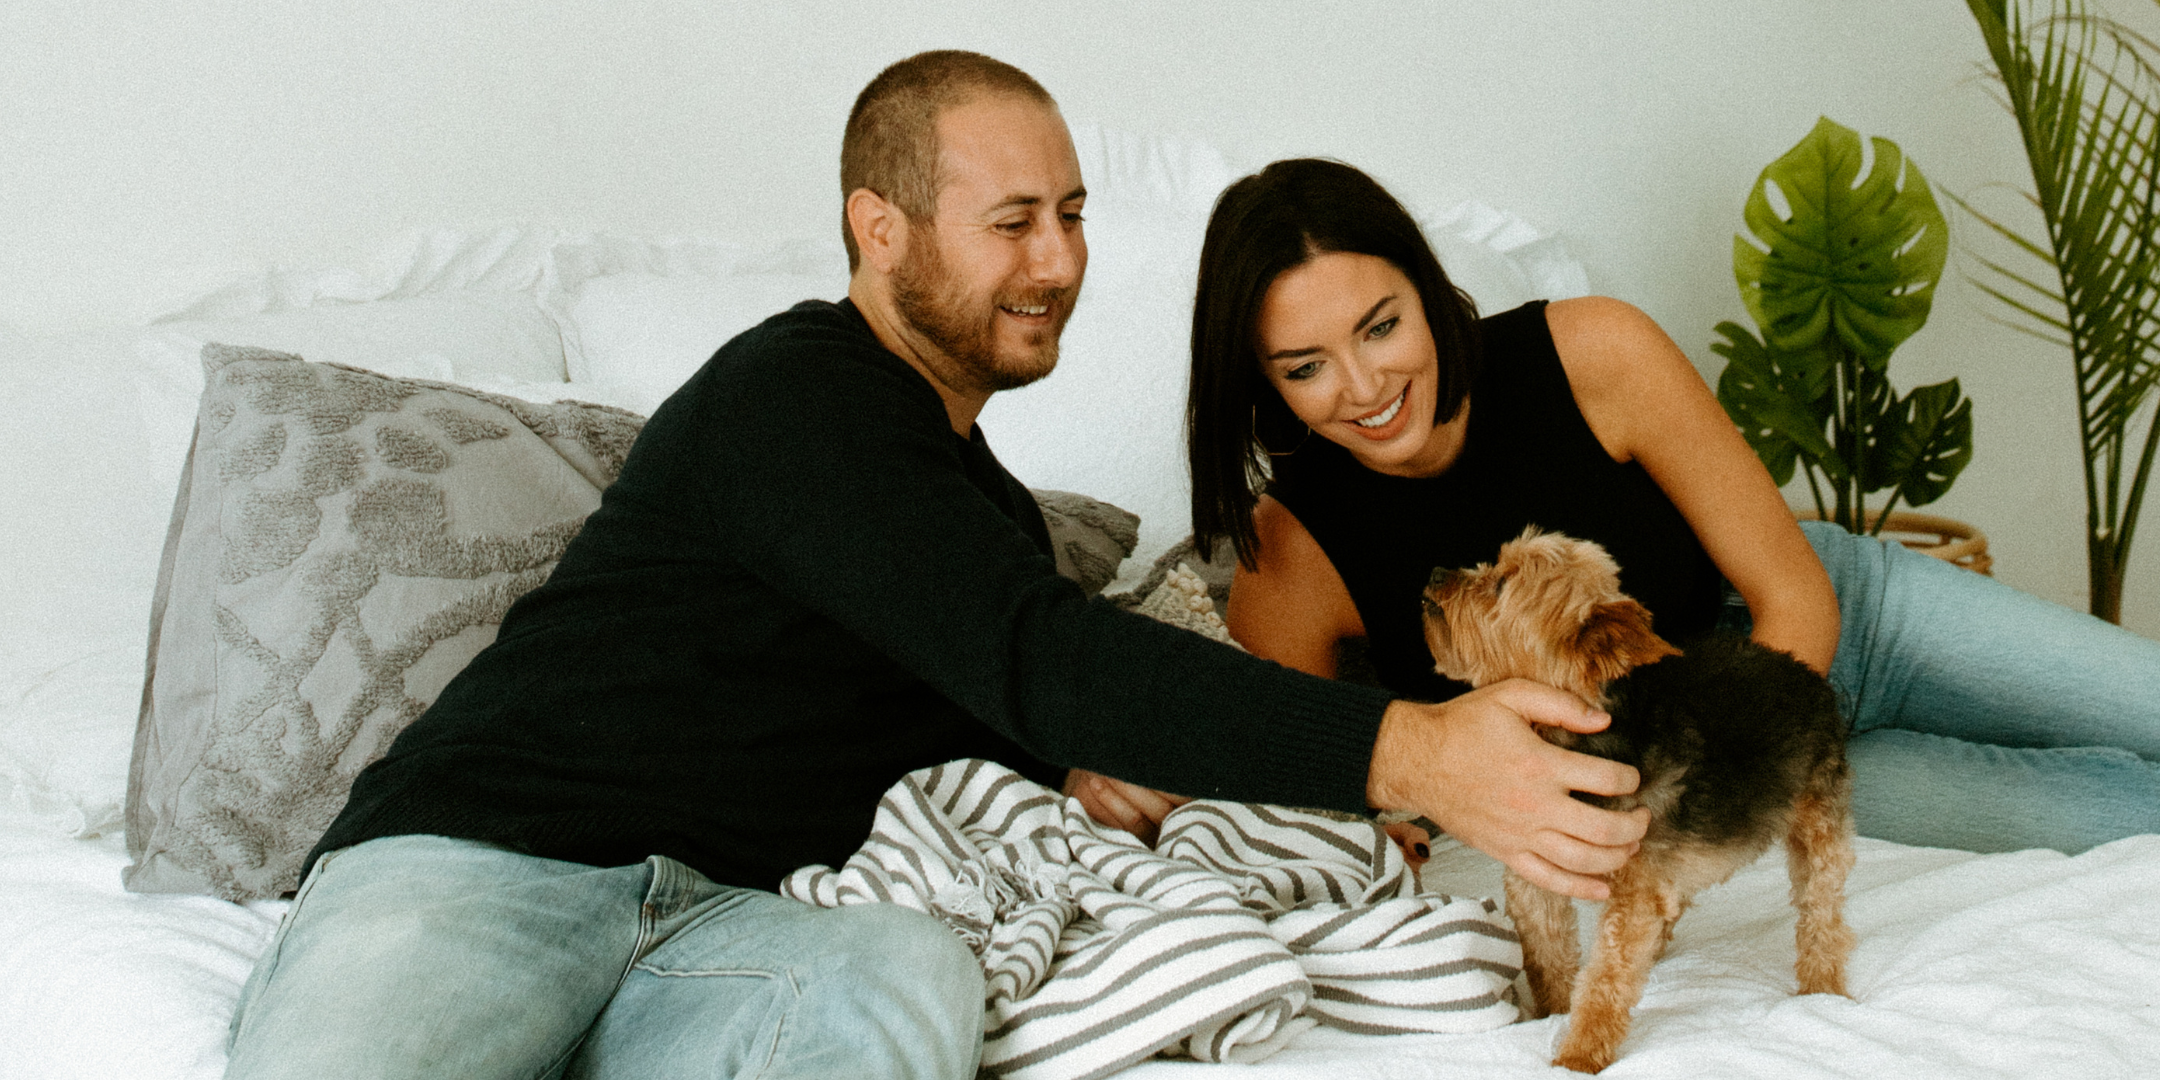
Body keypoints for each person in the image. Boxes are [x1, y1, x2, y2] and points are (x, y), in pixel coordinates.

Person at [221, 56, 1653, 1080]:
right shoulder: (795, 395)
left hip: (739, 924)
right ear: (880, 228)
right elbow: (1041, 656)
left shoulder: (980, 509)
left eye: (1075, 213)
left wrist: (1075, 765)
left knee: (914, 974)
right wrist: (1416, 753)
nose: (1059, 260)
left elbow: (1011, 683)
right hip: (488, 870)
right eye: (1014, 220)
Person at [1182, 156, 2160, 859]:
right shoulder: (1291, 555)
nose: (1363, 386)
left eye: (1381, 325)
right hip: (1721, 776)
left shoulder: (1593, 351)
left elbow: (1794, 595)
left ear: (1424, 287)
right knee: (2112, 823)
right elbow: (1310, 792)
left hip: (1852, 628)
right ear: (1262, 382)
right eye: (1306, 367)